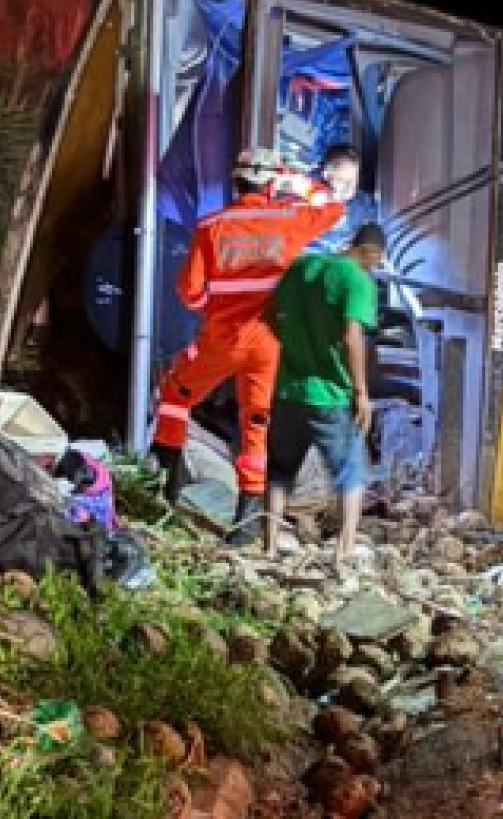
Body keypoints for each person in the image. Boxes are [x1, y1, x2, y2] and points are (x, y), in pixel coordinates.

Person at [152, 147, 347, 544]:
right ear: (273, 183)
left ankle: (162, 491)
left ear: (235, 183)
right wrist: (298, 180)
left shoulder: (212, 227)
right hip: (271, 341)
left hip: (222, 337)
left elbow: (189, 292)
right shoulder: (290, 219)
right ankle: (247, 522)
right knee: (257, 421)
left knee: (174, 395)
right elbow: (333, 206)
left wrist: (216, 307)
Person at [264, 222, 387, 574]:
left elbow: (271, 316)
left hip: (288, 390)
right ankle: (343, 554)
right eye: (376, 261)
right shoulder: (357, 280)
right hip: (331, 395)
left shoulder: (300, 267)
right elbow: (352, 335)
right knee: (351, 472)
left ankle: (269, 548)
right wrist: (361, 392)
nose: (374, 268)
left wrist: (296, 348)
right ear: (370, 252)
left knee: (280, 471)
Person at [304, 145, 380, 255]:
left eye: (352, 181)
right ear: (326, 176)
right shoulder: (305, 196)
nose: (348, 188)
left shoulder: (363, 204)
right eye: (342, 181)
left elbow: (371, 230)